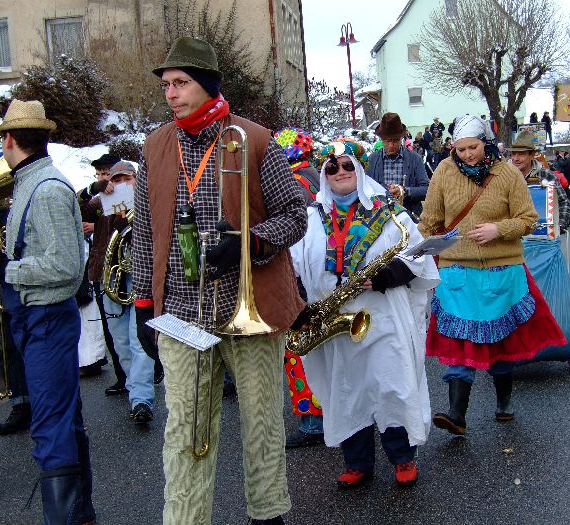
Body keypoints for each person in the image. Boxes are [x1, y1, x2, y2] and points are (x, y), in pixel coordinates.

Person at [131, 37, 307, 525]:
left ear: (208, 86)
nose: (171, 93)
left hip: (248, 306)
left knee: (262, 423)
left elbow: (296, 215)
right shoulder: (154, 148)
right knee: (185, 430)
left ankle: (268, 515)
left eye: (182, 83)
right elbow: (144, 232)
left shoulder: (255, 138)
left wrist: (250, 244)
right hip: (183, 314)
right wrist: (145, 305)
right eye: (166, 84)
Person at [290, 140, 438, 490]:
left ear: (358, 169)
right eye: (331, 168)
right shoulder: (312, 218)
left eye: (346, 166)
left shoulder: (391, 213)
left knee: (392, 385)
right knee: (346, 390)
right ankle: (357, 462)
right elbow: (293, 268)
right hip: (334, 323)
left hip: (383, 317)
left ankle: (402, 457)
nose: (339, 172)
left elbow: (419, 259)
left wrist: (386, 277)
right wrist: (297, 306)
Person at [0, 99, 95, 524]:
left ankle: (65, 517)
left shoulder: (44, 189)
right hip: (36, 319)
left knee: (51, 426)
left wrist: (6, 267)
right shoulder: (33, 182)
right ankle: (79, 513)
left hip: (46, 318)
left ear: (9, 140)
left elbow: (66, 267)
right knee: (63, 419)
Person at [418, 115, 565, 435]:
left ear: (485, 142)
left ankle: (503, 403)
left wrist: (499, 229)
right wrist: (424, 243)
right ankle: (457, 415)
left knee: (500, 340)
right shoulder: (443, 171)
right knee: (460, 342)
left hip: (502, 268)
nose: (468, 154)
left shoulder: (508, 173)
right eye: (461, 149)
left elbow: (527, 220)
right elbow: (429, 220)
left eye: (473, 147)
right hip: (458, 270)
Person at [94, 161, 157, 424]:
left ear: (136, 180)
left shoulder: (147, 201)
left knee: (137, 339)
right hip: (111, 278)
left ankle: (141, 399)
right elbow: (76, 207)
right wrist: (96, 188)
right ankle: (135, 389)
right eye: (116, 179)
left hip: (139, 278)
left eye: (126, 179)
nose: (121, 184)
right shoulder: (100, 202)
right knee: (120, 342)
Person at [273, 127, 324, 448]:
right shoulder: (316, 176)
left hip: (298, 273)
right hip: (320, 270)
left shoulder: (291, 183)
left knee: (297, 348)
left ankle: (312, 421)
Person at [77, 152, 130, 396]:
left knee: (132, 330)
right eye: (99, 175)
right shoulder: (98, 201)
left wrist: (98, 225)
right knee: (112, 330)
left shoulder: (129, 196)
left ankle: (141, 376)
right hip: (101, 269)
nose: (104, 179)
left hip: (126, 268)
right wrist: (91, 188)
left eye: (107, 175)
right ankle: (123, 376)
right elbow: (76, 210)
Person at [366, 112, 429, 218]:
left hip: (410, 217)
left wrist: (405, 191)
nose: (391, 145)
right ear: (381, 139)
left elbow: (427, 190)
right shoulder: (371, 160)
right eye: (387, 141)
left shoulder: (415, 159)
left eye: (395, 141)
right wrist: (383, 191)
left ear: (401, 138)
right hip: (379, 219)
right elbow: (365, 190)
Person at [507, 131, 570, 231]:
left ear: (532, 155)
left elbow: (564, 202)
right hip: (512, 235)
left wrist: (559, 226)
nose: (515, 158)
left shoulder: (546, 175)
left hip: (541, 238)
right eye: (513, 154)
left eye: (521, 154)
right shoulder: (504, 176)